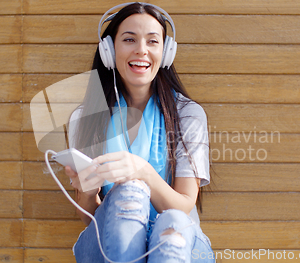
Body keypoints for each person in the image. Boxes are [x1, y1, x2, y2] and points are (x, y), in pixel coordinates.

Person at [65, 2, 214, 262]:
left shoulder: (188, 115)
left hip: (176, 237)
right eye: (129, 39)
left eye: (153, 42)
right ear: (109, 50)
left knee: (169, 228)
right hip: (111, 239)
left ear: (166, 52)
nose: (141, 50)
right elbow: (89, 218)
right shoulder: (85, 117)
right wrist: (87, 193)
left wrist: (141, 172)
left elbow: (182, 207)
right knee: (125, 195)